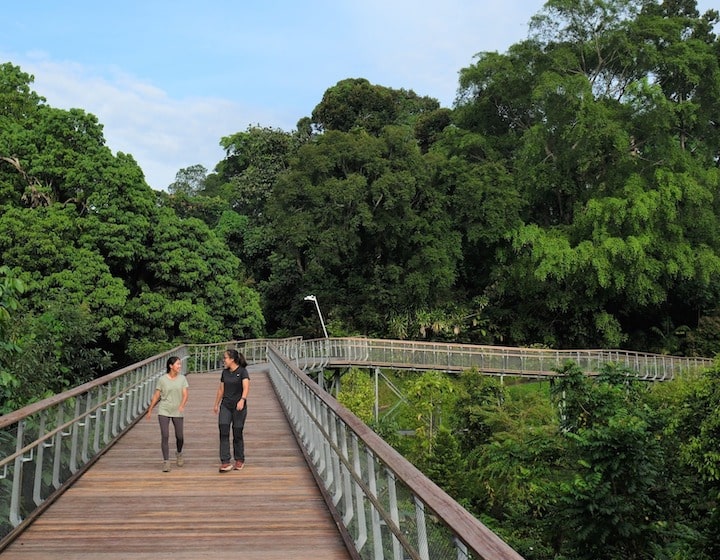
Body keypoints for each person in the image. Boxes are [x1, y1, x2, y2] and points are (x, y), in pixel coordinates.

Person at [146, 356, 189, 472]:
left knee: (179, 436)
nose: (180, 366)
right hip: (164, 409)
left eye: (180, 364)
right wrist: (150, 410)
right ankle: (166, 461)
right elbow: (156, 395)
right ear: (171, 366)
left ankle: (179, 453)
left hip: (177, 410)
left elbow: (185, 394)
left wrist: (182, 405)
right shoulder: (162, 379)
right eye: (178, 364)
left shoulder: (182, 379)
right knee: (165, 435)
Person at [213, 348, 250, 472]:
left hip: (239, 406)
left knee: (237, 432)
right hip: (226, 406)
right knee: (223, 431)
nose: (224, 360)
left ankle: (239, 459)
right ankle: (225, 461)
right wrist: (216, 404)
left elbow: (246, 387)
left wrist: (242, 399)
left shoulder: (243, 372)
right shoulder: (224, 373)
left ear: (232, 359)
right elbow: (221, 389)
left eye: (225, 358)